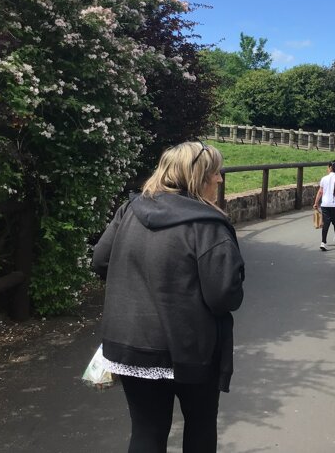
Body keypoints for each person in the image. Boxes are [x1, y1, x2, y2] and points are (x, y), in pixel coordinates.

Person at [92, 141, 245, 453]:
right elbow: (223, 296)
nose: (219, 179)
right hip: (192, 347)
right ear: (198, 176)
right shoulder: (207, 224)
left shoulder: (130, 210)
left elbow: (101, 260)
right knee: (200, 426)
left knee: (146, 431)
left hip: (132, 343)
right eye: (215, 172)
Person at [313, 160, 335, 251]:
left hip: (325, 204)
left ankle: (323, 243)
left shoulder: (324, 178)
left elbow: (320, 192)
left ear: (330, 168)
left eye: (328, 167)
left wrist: (316, 203)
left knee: (326, 224)